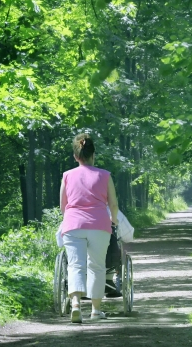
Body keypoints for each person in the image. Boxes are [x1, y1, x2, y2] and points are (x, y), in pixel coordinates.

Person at [60, 133, 119, 323]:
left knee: (75, 265)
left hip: (73, 224)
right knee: (96, 267)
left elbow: (63, 206)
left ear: (76, 156)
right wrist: (114, 220)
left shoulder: (67, 176)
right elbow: (113, 204)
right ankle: (95, 310)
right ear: (93, 154)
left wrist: (71, 219)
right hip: (99, 225)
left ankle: (76, 305)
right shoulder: (105, 175)